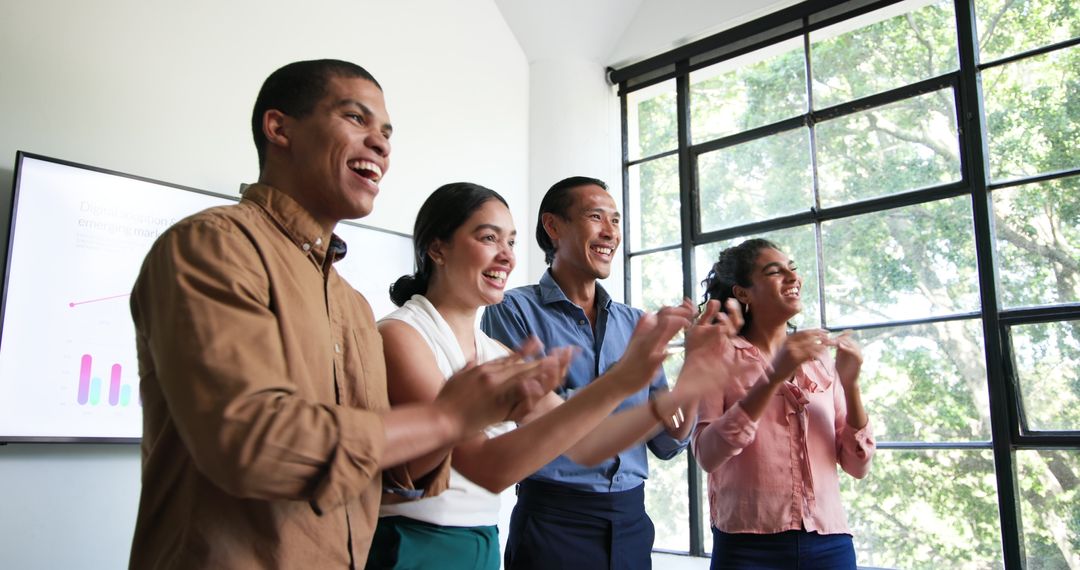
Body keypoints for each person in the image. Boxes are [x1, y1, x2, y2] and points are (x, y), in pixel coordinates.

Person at [127, 59, 564, 570]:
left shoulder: (352, 306)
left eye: (386, 133)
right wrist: (446, 416)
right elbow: (249, 443)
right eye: (356, 119)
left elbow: (387, 477)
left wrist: (452, 424)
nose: (381, 144)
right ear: (279, 128)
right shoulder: (214, 245)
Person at [367, 182, 741, 569]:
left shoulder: (496, 353)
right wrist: (623, 381)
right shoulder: (401, 334)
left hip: (482, 540)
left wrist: (684, 385)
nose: (506, 256)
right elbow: (487, 468)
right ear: (437, 247)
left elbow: (587, 443)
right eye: (489, 238)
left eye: (510, 242)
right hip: (418, 543)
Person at [481, 176, 696, 570]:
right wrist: (621, 378)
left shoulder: (636, 323)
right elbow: (538, 422)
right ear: (553, 226)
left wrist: (698, 372)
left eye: (615, 220)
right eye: (596, 217)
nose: (611, 232)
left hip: (632, 519)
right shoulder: (511, 310)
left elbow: (667, 442)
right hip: (555, 518)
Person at [692, 238, 875, 569]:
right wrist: (773, 377)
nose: (793, 278)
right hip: (747, 547)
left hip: (830, 543)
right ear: (743, 293)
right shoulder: (716, 355)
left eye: (793, 269)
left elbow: (857, 466)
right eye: (775, 272)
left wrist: (851, 385)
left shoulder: (818, 357)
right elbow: (707, 453)